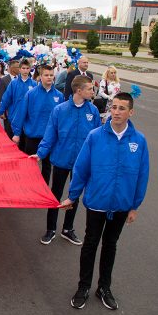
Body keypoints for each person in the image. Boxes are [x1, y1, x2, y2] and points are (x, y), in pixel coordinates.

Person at [60, 92, 149, 311]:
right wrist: (73, 195)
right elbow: (81, 168)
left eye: (121, 108)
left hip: (121, 205)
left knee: (110, 246)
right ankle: (83, 287)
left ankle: (104, 288)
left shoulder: (138, 141)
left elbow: (142, 175)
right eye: (114, 107)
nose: (116, 112)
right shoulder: (95, 136)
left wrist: (134, 206)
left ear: (131, 112)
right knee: (90, 244)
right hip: (97, 202)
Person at [31, 75, 101, 245]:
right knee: (55, 194)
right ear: (79, 90)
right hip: (61, 160)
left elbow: (98, 139)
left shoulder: (92, 111)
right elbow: (50, 135)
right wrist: (40, 153)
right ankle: (51, 229)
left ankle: (68, 229)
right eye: (90, 88)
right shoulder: (60, 110)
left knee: (74, 195)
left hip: (81, 163)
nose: (93, 91)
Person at [11, 65, 64, 184]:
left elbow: (61, 118)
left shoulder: (59, 96)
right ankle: (27, 187)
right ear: (40, 77)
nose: (49, 77)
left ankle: (43, 189)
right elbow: (21, 113)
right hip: (33, 136)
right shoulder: (31, 94)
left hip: (50, 138)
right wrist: (17, 133)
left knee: (47, 167)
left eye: (51, 75)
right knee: (30, 165)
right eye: (46, 75)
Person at [0, 59, 37, 150]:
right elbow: (6, 98)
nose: (25, 70)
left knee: (25, 145)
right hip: (13, 117)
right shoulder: (13, 83)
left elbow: (36, 102)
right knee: (11, 143)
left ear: (30, 69)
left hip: (28, 119)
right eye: (23, 68)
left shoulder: (34, 84)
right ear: (20, 69)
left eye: (27, 68)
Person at [0, 60, 22, 139]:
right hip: (8, 110)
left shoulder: (22, 79)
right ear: (12, 68)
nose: (20, 69)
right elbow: (1, 96)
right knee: (9, 130)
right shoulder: (4, 80)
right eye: (18, 67)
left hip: (20, 109)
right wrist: (2, 111)